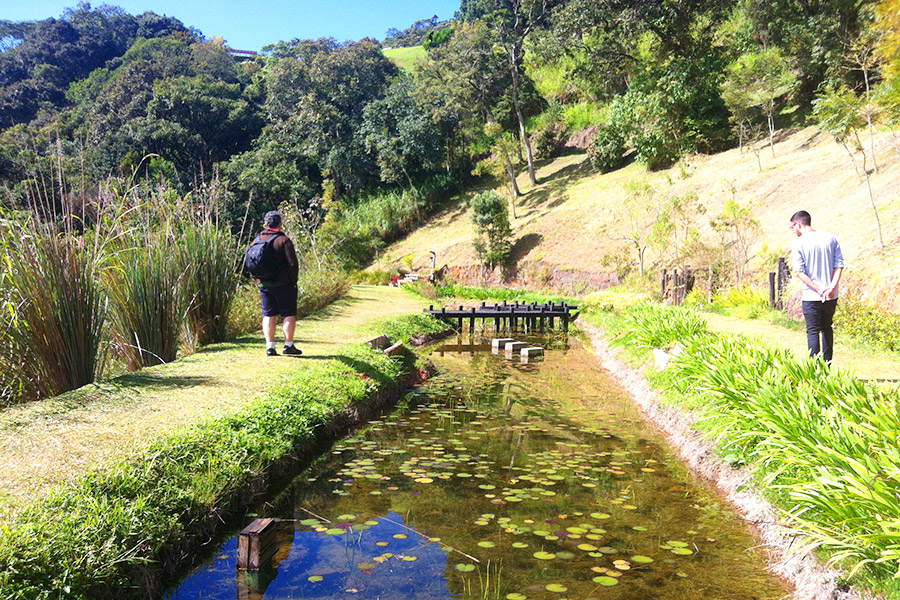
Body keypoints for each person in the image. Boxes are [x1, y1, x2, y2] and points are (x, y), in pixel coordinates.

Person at [789, 210, 844, 364]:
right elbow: (839, 266)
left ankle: (814, 368)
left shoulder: (798, 243)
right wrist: (831, 287)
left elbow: (799, 272)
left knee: (812, 331)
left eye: (792, 228)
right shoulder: (830, 238)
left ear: (798, 224)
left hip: (811, 295)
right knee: (827, 328)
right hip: (831, 295)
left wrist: (818, 289)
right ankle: (827, 366)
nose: (793, 231)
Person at [250, 211, 302, 357]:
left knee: (268, 315)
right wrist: (293, 281)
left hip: (264, 284)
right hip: (284, 284)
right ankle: (288, 345)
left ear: (266, 224)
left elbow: (250, 262)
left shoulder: (256, 240)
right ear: (280, 224)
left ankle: (270, 347)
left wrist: (257, 280)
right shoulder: (283, 240)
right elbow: (292, 263)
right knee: (289, 313)